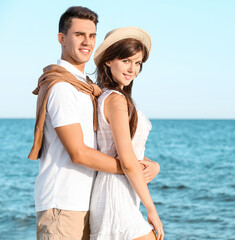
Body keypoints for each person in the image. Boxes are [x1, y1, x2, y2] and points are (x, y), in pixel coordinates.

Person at [28, 7, 160, 240]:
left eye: (92, 35)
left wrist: (148, 164)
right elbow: (78, 153)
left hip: (89, 200)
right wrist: (130, 168)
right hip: (63, 203)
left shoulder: (88, 88)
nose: (87, 41)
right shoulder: (62, 88)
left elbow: (106, 145)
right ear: (62, 38)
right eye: (79, 34)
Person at [89, 27, 164, 240]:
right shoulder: (115, 99)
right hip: (116, 195)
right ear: (108, 61)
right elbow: (127, 160)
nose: (132, 69)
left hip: (119, 193)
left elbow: (126, 151)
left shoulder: (110, 97)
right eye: (126, 61)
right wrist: (152, 210)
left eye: (138, 63)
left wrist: (154, 165)